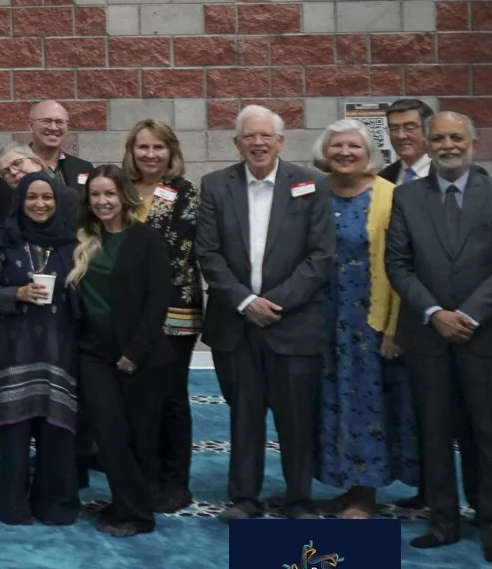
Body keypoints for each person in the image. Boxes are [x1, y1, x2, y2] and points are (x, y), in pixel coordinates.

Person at [384, 112, 492, 562]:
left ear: (473, 142)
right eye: (439, 138)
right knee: (434, 432)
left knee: (489, 435)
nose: (448, 145)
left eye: (456, 137)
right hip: (428, 336)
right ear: (428, 144)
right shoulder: (407, 197)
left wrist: (467, 314)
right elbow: (398, 264)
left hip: (483, 338)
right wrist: (434, 313)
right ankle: (443, 521)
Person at [195, 104, 335, 521]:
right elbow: (208, 252)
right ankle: (244, 497)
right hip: (235, 323)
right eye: (249, 136)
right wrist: (245, 301)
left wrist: (276, 302)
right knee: (245, 414)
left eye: (265, 136)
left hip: (293, 321)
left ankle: (298, 498)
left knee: (296, 417)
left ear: (280, 141)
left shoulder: (310, 183)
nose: (258, 143)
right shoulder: (216, 185)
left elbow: (320, 255)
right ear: (237, 142)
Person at [312, 119, 417, 520]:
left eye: (353, 146)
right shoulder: (312, 191)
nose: (344, 153)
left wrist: (393, 328)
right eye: (336, 145)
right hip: (322, 320)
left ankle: (365, 494)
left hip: (368, 324)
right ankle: (342, 485)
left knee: (367, 406)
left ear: (368, 152)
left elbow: (401, 266)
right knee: (329, 403)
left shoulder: (390, 195)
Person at [0, 172, 82, 527]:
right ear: (19, 201)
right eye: (31, 197)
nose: (39, 204)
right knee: (15, 436)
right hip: (12, 351)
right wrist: (15, 294)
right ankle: (13, 507)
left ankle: (54, 506)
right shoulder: (0, 241)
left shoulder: (72, 243)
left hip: (58, 350)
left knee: (56, 434)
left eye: (47, 198)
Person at [72, 166, 172, 536]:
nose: (102, 201)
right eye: (96, 195)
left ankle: (134, 512)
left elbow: (158, 300)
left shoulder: (146, 239)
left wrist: (135, 352)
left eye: (109, 194)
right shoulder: (83, 238)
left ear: (124, 196)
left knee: (138, 437)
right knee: (109, 431)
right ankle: (131, 507)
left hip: (139, 355)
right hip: (94, 353)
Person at [122, 120, 202, 513]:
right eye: (142, 147)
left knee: (171, 396)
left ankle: (175, 481)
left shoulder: (183, 192)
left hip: (174, 309)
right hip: (128, 313)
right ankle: (145, 476)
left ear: (171, 152)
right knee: (140, 397)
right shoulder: (122, 190)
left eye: (158, 147)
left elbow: (171, 251)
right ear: (131, 151)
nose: (150, 154)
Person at [26, 100, 92, 194]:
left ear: (67, 127)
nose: (53, 127)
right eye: (46, 121)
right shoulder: (12, 168)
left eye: (59, 122)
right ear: (30, 125)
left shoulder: (84, 168)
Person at [379, 98, 434, 185]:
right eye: (394, 128)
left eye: (409, 127)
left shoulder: (445, 174)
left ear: (428, 130)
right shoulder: (384, 177)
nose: (401, 136)